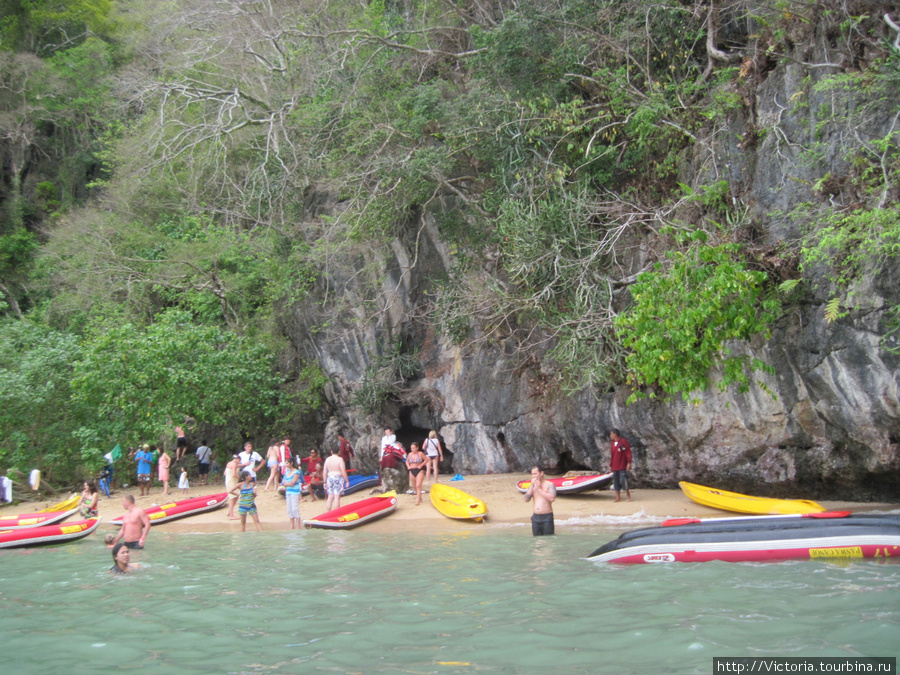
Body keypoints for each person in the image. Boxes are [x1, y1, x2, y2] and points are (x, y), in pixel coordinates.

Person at [524, 466, 557, 536]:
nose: (533, 476)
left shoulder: (549, 484)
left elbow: (552, 498)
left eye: (535, 474)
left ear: (541, 473)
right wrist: (532, 485)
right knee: (536, 540)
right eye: (532, 474)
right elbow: (526, 499)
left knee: (548, 538)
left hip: (547, 516)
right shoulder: (533, 485)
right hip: (535, 517)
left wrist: (539, 489)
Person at [609, 429, 633, 502]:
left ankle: (628, 495)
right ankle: (618, 497)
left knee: (623, 480)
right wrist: (611, 465)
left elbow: (628, 452)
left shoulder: (623, 441)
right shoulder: (612, 443)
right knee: (615, 481)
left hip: (622, 464)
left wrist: (629, 462)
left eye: (611, 434)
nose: (610, 436)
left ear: (615, 434)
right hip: (615, 465)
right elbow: (612, 455)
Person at [281, 455, 303, 529]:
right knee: (289, 510)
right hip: (288, 492)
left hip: (295, 492)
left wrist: (286, 484)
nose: (286, 464)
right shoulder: (287, 472)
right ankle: (291, 526)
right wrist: (287, 484)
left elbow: (292, 483)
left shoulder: (296, 472)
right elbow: (285, 482)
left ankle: (298, 526)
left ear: (291, 463)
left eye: (287, 463)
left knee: (295, 509)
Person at [224, 453, 241, 520]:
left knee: (235, 497)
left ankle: (230, 512)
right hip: (231, 481)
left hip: (229, 481)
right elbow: (234, 474)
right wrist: (240, 479)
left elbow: (225, 473)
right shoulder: (234, 464)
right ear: (238, 459)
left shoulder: (229, 463)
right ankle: (231, 515)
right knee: (232, 498)